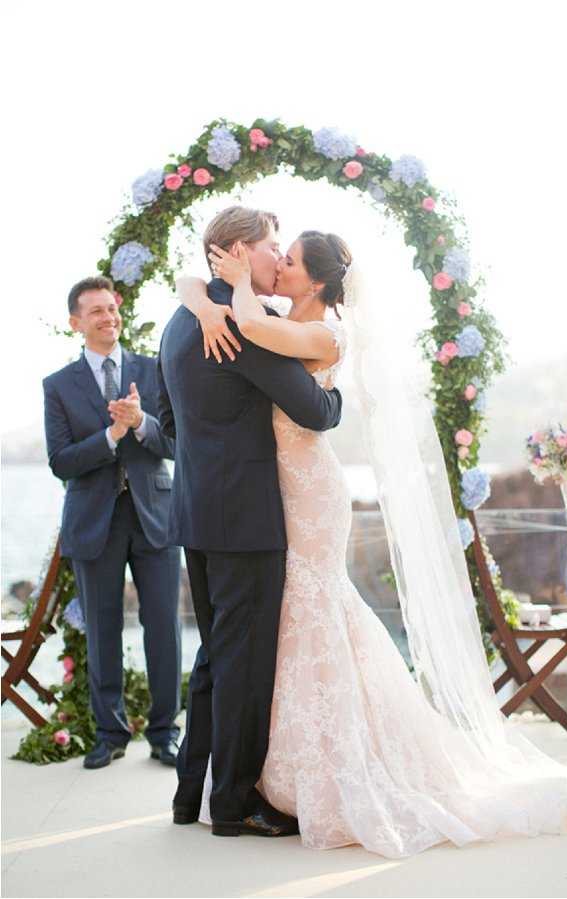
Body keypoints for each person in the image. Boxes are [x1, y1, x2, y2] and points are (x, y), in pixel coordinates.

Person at [178, 229, 567, 858]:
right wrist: (204, 296)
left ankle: (305, 767)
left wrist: (227, 289)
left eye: (288, 260)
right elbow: (204, 298)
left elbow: (260, 342)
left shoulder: (316, 333)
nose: (280, 264)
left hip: (309, 492)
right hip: (272, 493)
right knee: (292, 618)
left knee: (310, 606)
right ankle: (272, 767)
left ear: (315, 282)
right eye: (277, 254)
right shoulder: (272, 314)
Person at [157, 207, 343, 838]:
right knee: (244, 663)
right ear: (236, 251)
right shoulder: (239, 325)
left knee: (213, 657)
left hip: (197, 514)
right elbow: (314, 410)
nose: (274, 258)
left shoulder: (179, 323)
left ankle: (190, 796)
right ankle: (234, 804)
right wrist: (342, 395)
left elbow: (172, 425)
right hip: (245, 520)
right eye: (269, 246)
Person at [43, 277, 181, 770]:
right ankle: (110, 733)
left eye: (111, 308)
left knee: (163, 627)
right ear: (76, 323)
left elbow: (173, 442)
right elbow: (60, 461)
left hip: (155, 516)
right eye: (95, 312)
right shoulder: (57, 386)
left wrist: (142, 423)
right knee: (103, 631)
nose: (108, 317)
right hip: (93, 520)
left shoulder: (153, 369)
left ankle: (166, 733)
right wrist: (112, 433)